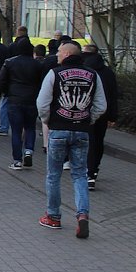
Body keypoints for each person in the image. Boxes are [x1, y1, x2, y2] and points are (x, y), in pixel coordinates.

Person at [37, 41, 107, 238]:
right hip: (81, 131)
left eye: (59, 52)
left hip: (58, 130)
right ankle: (82, 215)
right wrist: (88, 120)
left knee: (54, 175)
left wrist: (48, 120)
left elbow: (42, 103)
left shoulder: (54, 73)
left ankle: (53, 216)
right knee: (80, 175)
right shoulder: (93, 75)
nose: (57, 55)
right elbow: (101, 105)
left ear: (67, 54)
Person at [0, 38, 42, 170]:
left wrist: (7, 92)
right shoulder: (37, 65)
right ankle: (29, 150)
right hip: (31, 99)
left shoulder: (9, 63)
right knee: (30, 127)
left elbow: (1, 80)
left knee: (16, 131)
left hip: (15, 100)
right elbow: (41, 82)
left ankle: (17, 160)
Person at [82, 44, 119, 190]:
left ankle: (87, 171)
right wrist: (113, 116)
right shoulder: (108, 72)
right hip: (103, 112)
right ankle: (94, 169)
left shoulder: (83, 70)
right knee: (98, 141)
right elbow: (113, 94)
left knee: (87, 141)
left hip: (84, 111)